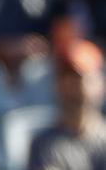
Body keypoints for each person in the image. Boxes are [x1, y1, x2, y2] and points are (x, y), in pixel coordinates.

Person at [28, 39, 106, 170]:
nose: (74, 86)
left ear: (101, 83)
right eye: (66, 78)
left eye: (81, 78)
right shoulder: (44, 144)